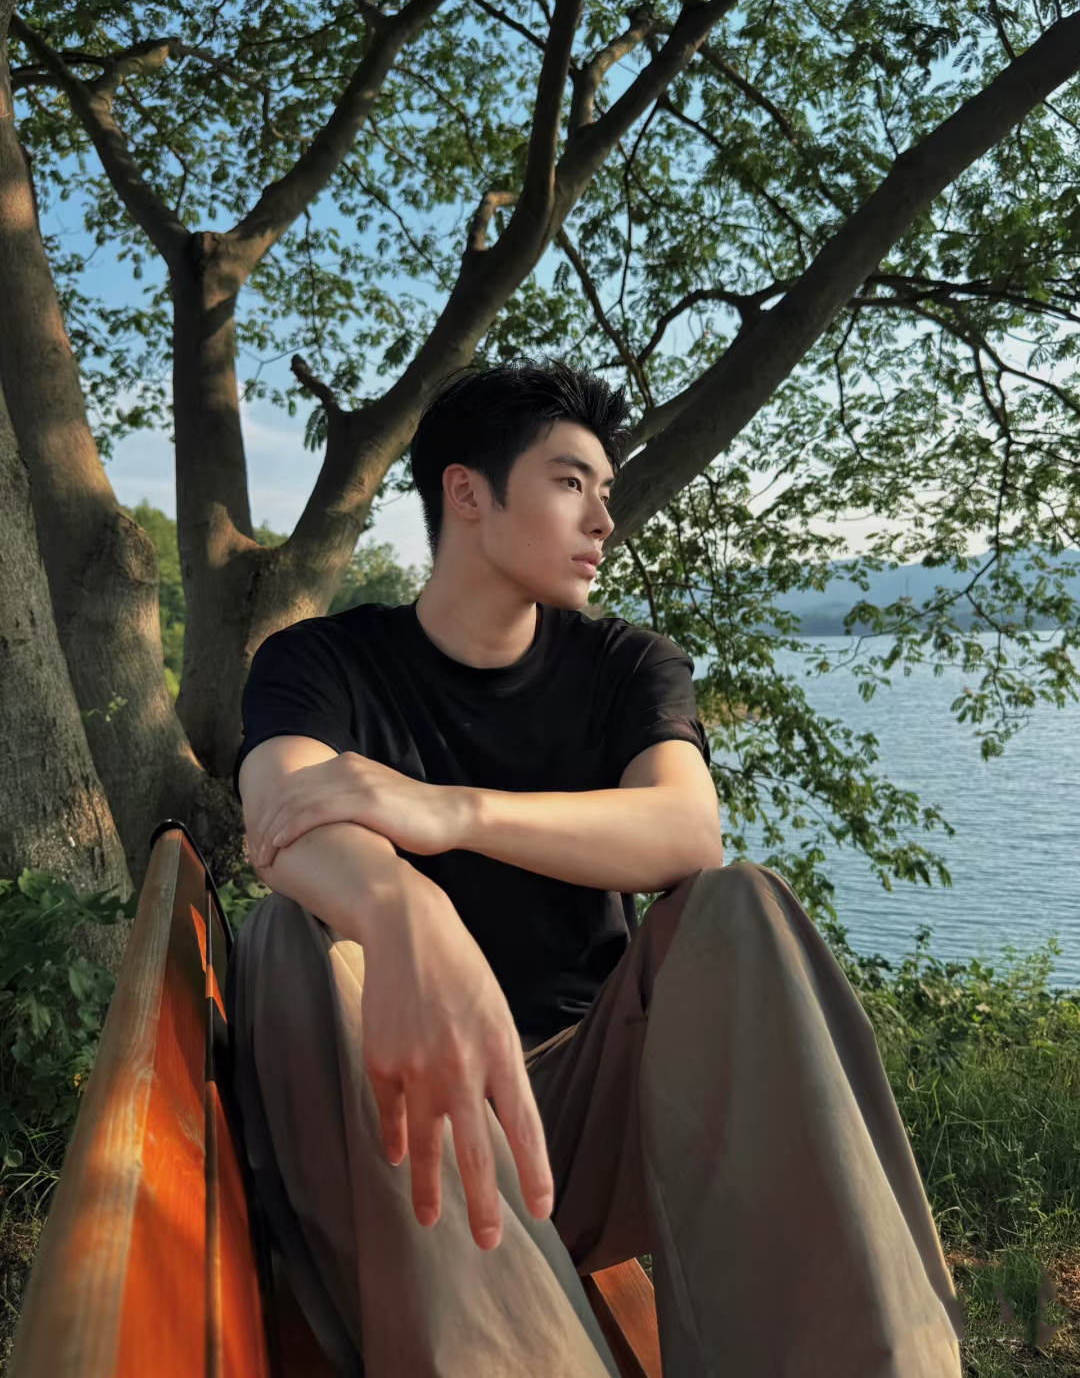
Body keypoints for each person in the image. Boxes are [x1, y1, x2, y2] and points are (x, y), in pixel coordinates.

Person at [226, 359, 965, 1377]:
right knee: (298, 938)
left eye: (605, 491)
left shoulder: (628, 664)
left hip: (584, 1108)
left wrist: (451, 813)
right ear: (467, 493)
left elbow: (686, 831)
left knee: (740, 906)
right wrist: (405, 911)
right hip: (401, 1115)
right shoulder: (322, 663)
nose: (603, 521)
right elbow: (283, 813)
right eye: (571, 481)